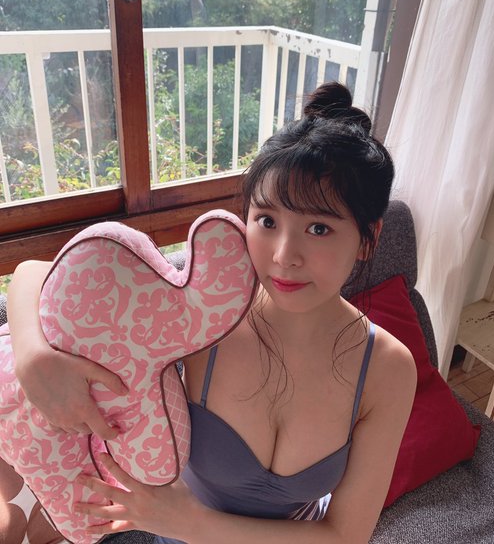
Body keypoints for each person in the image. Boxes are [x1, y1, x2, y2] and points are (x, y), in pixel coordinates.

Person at [7, 82, 417, 544]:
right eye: (267, 221)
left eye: (319, 228)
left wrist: (190, 523)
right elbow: (32, 273)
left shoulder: (387, 369)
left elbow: (345, 536)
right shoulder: (210, 311)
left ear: (368, 239)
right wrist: (33, 358)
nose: (284, 255)